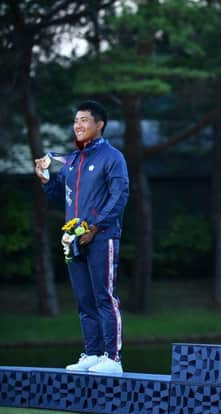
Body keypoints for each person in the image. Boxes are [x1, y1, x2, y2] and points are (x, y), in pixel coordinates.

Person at [34, 100, 129, 374]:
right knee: (84, 299)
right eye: (76, 120)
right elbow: (58, 196)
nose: (78, 125)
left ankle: (113, 359)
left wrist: (95, 227)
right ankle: (92, 352)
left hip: (102, 237)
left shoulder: (113, 157)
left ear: (99, 124)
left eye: (84, 120)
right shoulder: (73, 161)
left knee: (104, 298)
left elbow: (119, 196)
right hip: (73, 240)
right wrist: (44, 178)